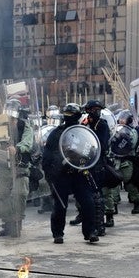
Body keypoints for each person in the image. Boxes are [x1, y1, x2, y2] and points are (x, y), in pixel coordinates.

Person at [42, 103, 98, 244]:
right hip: (61, 174)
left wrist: (87, 167)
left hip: (79, 173)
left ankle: (90, 231)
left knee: (88, 203)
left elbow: (91, 152)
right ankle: (58, 233)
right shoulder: (56, 134)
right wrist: (49, 175)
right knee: (60, 205)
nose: (70, 119)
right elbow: (47, 156)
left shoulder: (83, 133)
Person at [0, 105, 34, 237]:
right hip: (3, 166)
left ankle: (17, 223)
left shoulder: (25, 126)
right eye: (7, 118)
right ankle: (7, 223)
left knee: (19, 194)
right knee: (2, 193)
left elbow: (28, 143)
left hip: (20, 165)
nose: (10, 121)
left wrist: (17, 148)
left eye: (12, 118)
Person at [82, 100, 111, 236]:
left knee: (98, 195)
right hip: (85, 162)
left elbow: (102, 145)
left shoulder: (102, 125)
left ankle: (100, 225)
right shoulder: (85, 124)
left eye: (98, 109)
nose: (96, 112)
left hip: (97, 163)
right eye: (93, 109)